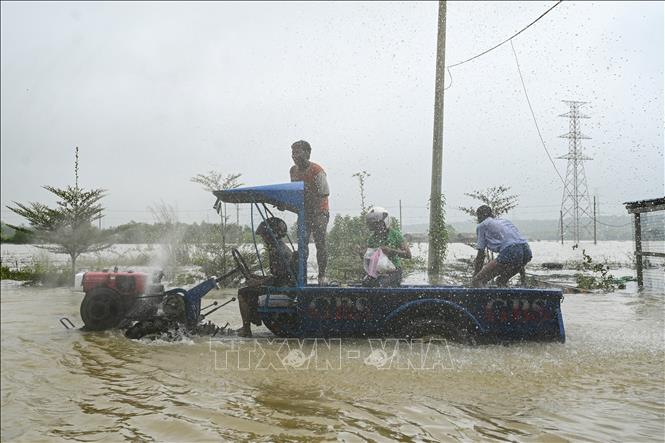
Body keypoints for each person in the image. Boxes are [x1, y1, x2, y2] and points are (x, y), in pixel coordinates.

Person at [237, 217, 296, 337]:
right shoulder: (279, 248)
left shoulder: (278, 251)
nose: (263, 239)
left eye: (264, 236)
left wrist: (257, 282)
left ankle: (246, 329)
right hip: (283, 285)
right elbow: (278, 276)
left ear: (271, 235)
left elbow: (277, 278)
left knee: (243, 293)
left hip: (283, 289)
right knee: (250, 290)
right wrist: (258, 278)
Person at [289, 140, 330, 286]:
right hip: (304, 211)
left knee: (320, 242)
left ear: (307, 153)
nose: (294, 155)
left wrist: (311, 210)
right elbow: (294, 194)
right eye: (292, 153)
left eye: (298, 152)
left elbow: (324, 193)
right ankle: (302, 275)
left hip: (320, 211)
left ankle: (322, 275)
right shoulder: (293, 171)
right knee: (302, 243)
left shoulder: (317, 170)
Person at [471, 205, 532, 287]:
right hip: (526, 250)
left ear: (480, 216)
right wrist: (523, 280)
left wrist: (476, 276)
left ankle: (479, 297)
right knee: (500, 281)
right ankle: (505, 290)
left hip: (511, 250)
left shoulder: (482, 225)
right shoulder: (505, 221)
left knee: (477, 280)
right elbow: (520, 253)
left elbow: (481, 255)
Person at [362, 206, 412, 287]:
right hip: (378, 272)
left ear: (385, 222)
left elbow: (408, 255)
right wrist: (363, 254)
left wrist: (391, 251)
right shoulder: (371, 239)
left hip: (394, 271)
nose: (376, 226)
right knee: (366, 283)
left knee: (381, 283)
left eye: (378, 223)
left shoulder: (395, 235)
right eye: (374, 224)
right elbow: (370, 260)